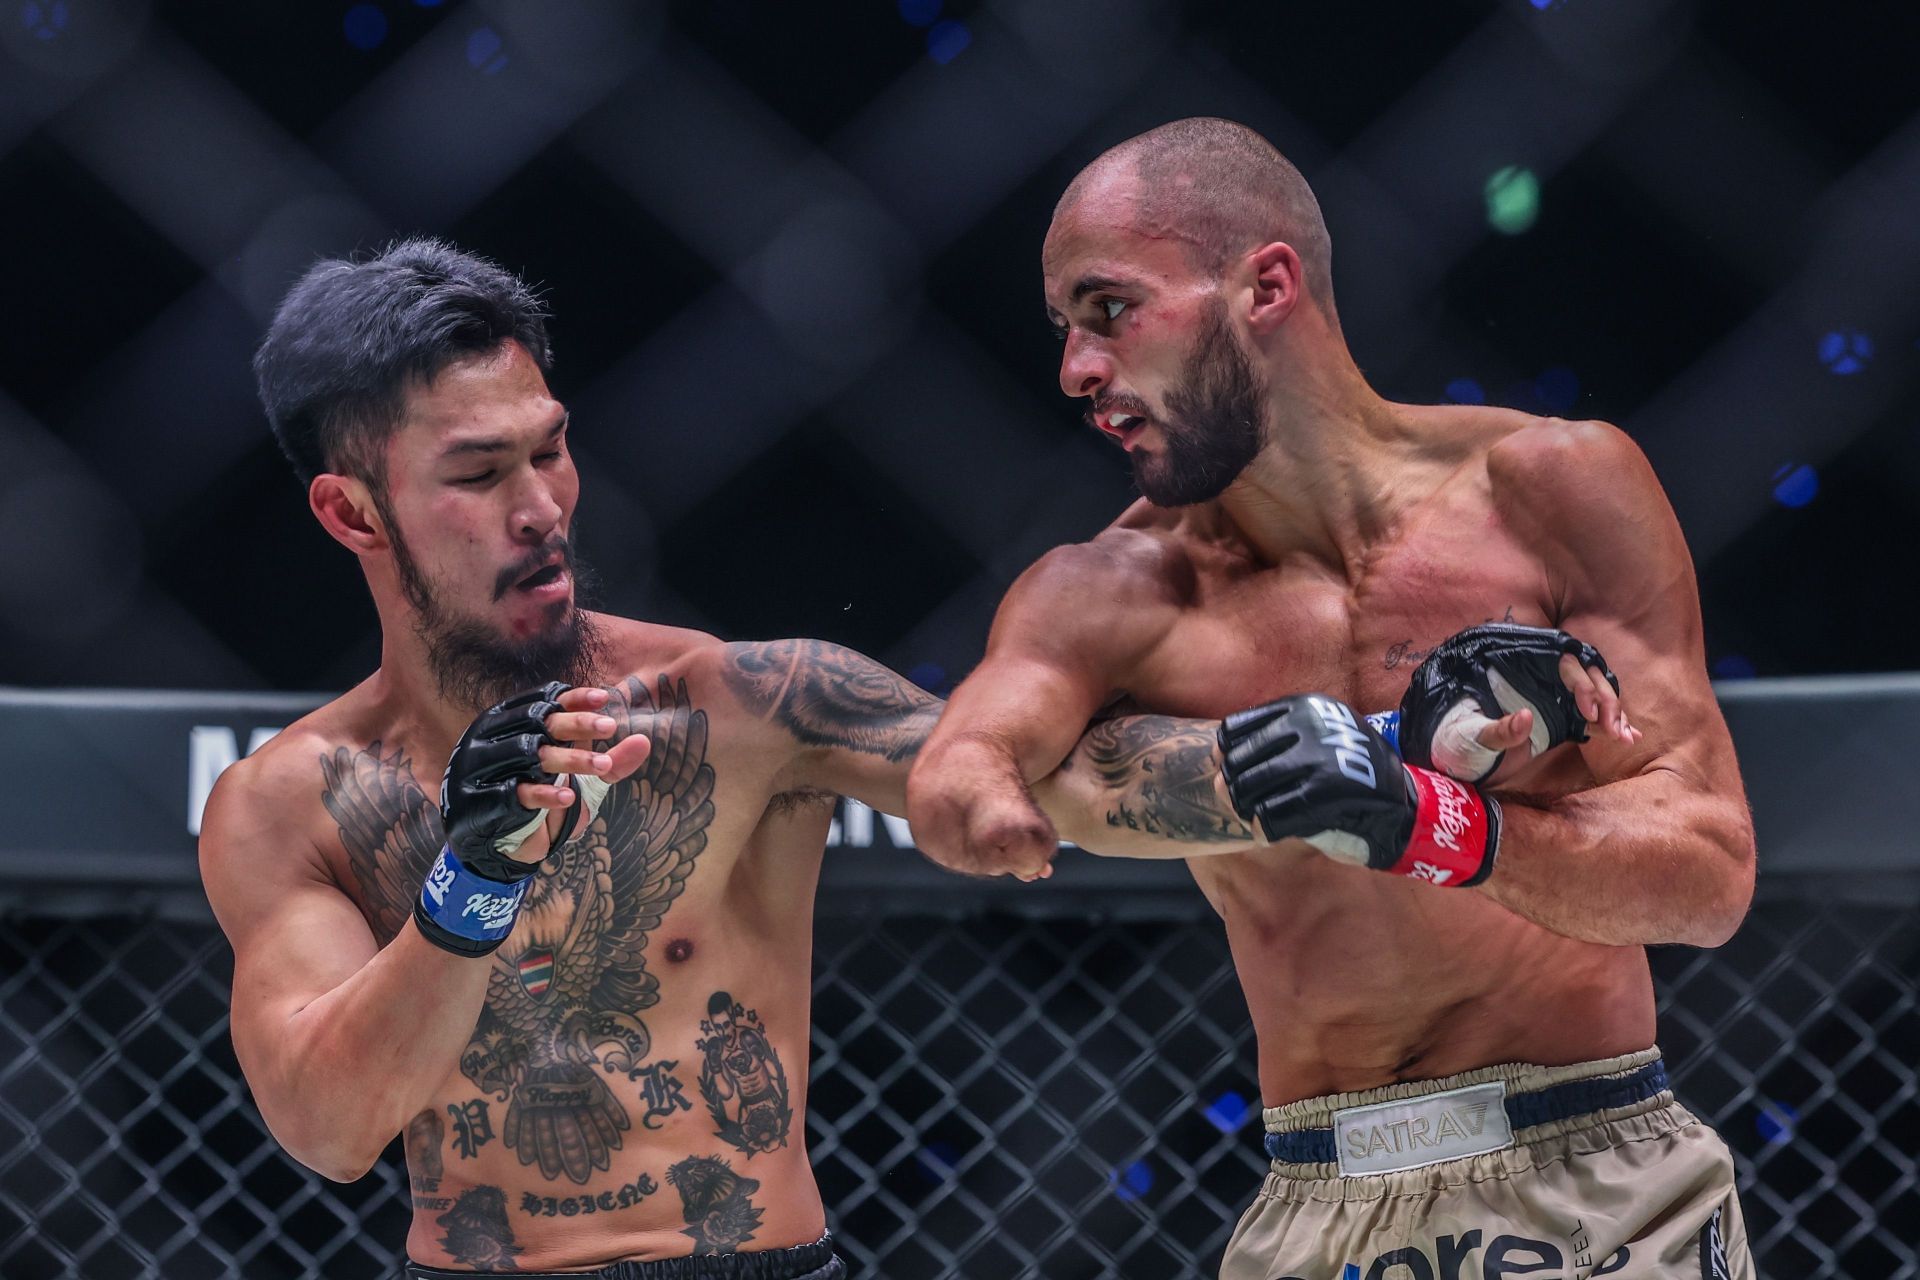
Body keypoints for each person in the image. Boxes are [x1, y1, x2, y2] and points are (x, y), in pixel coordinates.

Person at [199, 239, 1316, 1278]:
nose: (543, 507)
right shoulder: (292, 801)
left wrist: (1343, 756)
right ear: (353, 513)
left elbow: (1062, 777)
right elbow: (328, 1126)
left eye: (551, 448)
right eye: (480, 473)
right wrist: (470, 881)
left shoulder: (745, 702)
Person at [907, 118, 1757, 1279]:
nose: (1076, 370)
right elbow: (958, 773)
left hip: (1597, 1173)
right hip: (1323, 1202)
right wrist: (1009, 805)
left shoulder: (1552, 488)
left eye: (1110, 309)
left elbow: (1709, 874)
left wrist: (1426, 820)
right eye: (1063, 329)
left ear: (1264, 285)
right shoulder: (1111, 591)